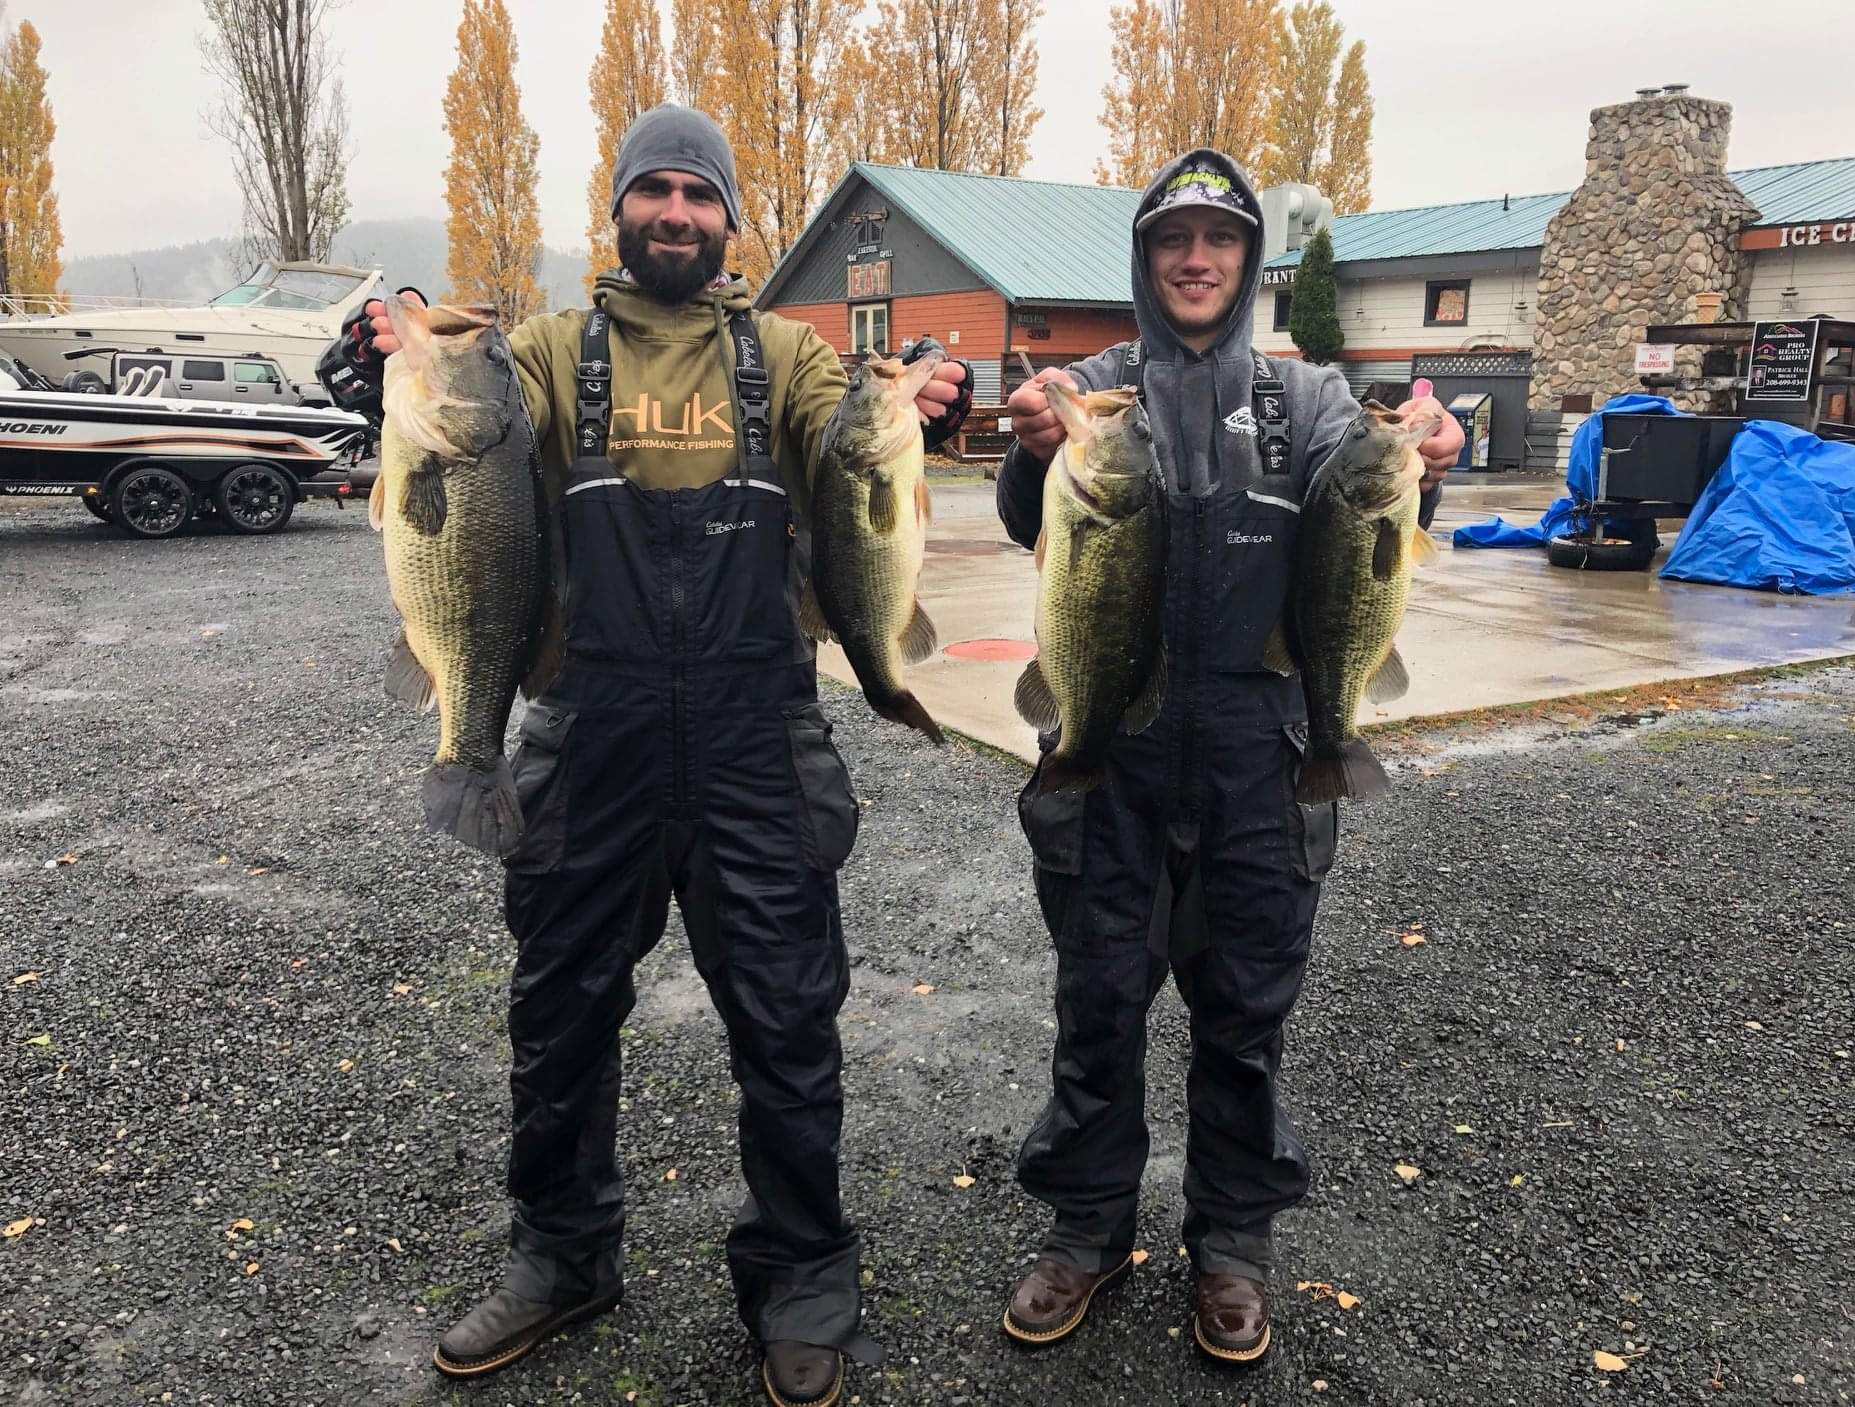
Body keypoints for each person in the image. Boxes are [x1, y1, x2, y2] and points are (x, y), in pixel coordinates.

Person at [319, 104, 970, 1407]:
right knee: (559, 1016)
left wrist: (925, 391)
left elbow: (862, 441)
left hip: (756, 742)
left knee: (787, 1024)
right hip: (589, 734)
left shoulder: (784, 356)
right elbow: (442, 422)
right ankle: (561, 1255)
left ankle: (801, 1279)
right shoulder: (546, 354)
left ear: (729, 218)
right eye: (654, 189)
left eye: (698, 193)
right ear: (617, 208)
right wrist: (372, 358)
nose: (676, 212)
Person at [993, 149, 1460, 1365]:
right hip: (1112, 760)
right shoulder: (1098, 388)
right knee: (1098, 1007)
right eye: (1172, 240)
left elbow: (1371, 515)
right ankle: (1086, 1229)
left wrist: (1426, 460)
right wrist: (1034, 445)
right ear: (1144, 260)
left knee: (1245, 1020)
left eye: (1220, 240)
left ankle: (1234, 1246)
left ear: (1249, 262)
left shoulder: (1310, 400)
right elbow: (1029, 510)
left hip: (1265, 760)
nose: (1195, 260)